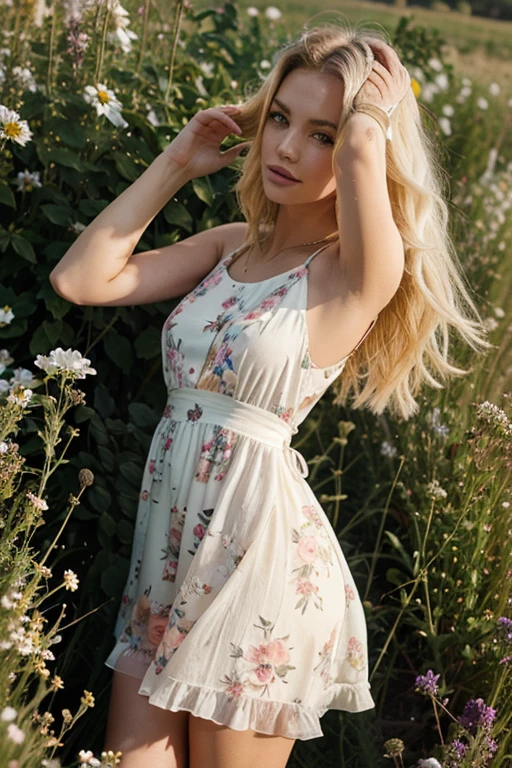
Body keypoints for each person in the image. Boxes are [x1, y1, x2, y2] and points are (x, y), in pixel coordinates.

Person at [49, 21, 490, 768]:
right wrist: (176, 163)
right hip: (170, 565)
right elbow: (81, 279)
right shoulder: (231, 247)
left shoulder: (353, 276)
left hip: (260, 573)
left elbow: (360, 158)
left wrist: (368, 127)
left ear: (364, 149)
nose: (286, 148)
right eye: (279, 118)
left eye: (323, 134)